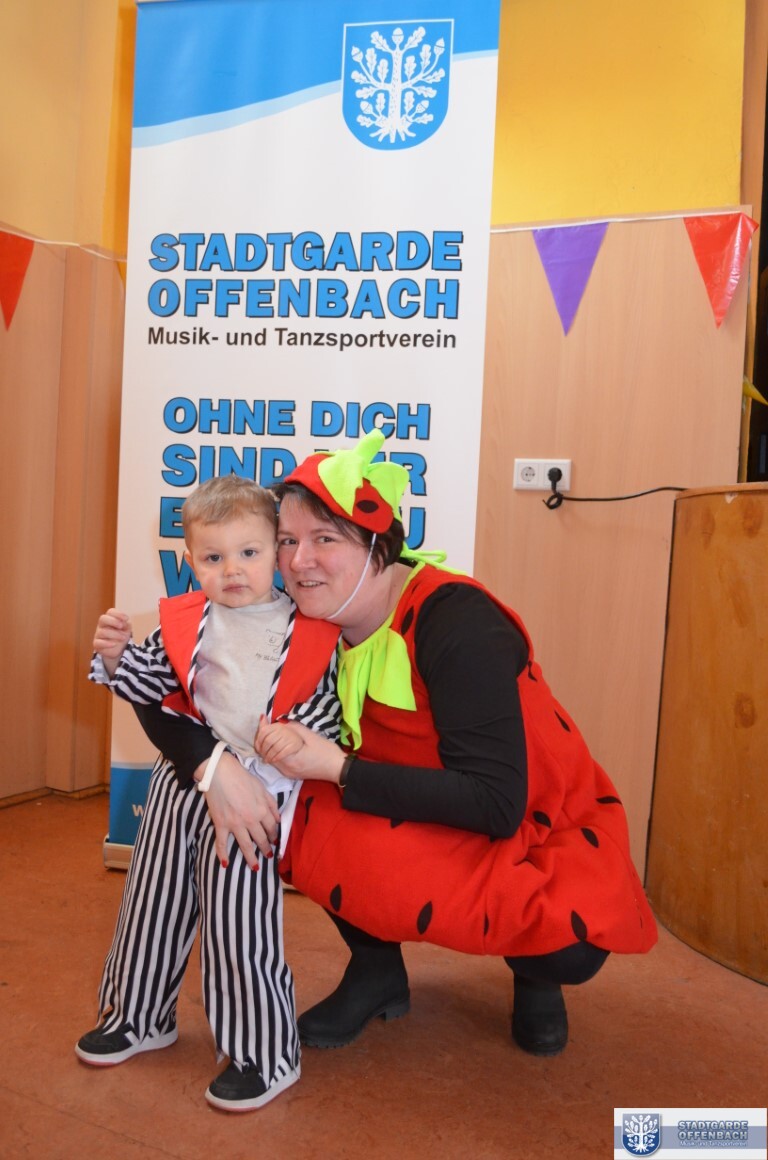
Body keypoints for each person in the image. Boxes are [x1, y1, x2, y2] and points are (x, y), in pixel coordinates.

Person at [133, 431, 658, 1061]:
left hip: (529, 819)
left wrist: (337, 766)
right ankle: (376, 968)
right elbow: (160, 687)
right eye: (288, 541)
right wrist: (213, 768)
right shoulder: (284, 610)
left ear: (378, 546)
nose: (300, 561)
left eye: (326, 539)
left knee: (567, 945)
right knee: (281, 812)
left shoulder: (456, 621)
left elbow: (497, 802)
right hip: (404, 800)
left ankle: (535, 972)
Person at [75, 475, 340, 1110]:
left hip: (257, 788)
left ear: (276, 551)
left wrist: (300, 736)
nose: (233, 570)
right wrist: (113, 657)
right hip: (179, 782)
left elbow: (329, 706)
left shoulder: (311, 627)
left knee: (239, 925)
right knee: (150, 902)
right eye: (213, 557)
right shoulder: (184, 620)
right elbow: (146, 684)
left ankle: (263, 1053)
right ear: (190, 561)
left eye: (249, 552)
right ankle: (138, 1015)